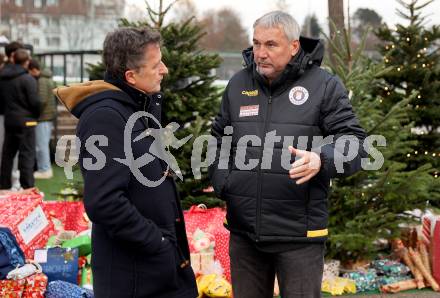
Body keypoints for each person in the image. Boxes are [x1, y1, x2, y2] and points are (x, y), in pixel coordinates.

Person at [209, 11, 367, 298]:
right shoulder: (238, 84)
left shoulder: (324, 85)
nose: (260, 53)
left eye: (271, 45)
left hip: (299, 236)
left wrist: (323, 159)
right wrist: (224, 182)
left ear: (294, 46)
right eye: (256, 44)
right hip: (244, 234)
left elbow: (356, 142)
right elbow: (219, 138)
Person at [54, 27, 198, 298]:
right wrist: (158, 242)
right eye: (156, 65)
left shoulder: (135, 109)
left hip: (152, 272)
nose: (164, 70)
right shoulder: (105, 117)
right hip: (134, 276)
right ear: (131, 76)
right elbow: (104, 202)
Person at [0, 49, 40, 190]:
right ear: (27, 62)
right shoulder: (28, 79)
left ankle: (4, 187)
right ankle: (27, 187)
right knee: (27, 155)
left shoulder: (3, 78)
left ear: (13, 60)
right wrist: (36, 115)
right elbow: (35, 102)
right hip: (27, 122)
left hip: (9, 120)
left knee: (7, 155)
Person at [28, 59, 56, 179]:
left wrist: (34, 113)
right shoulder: (46, 78)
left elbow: (42, 100)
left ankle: (44, 169)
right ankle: (44, 168)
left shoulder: (42, 81)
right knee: (42, 144)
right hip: (47, 116)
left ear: (34, 70)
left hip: (44, 117)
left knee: (41, 145)